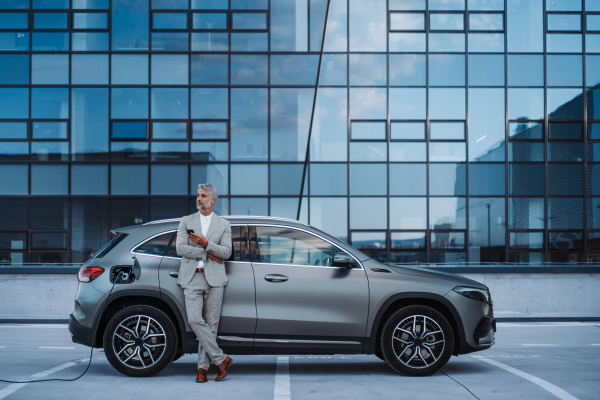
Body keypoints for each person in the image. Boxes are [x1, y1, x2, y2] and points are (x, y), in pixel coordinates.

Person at [176, 183, 233, 383]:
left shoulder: (223, 224)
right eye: (198, 195)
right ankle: (221, 359)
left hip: (215, 278)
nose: (199, 199)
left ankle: (202, 369)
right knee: (194, 319)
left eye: (203, 196)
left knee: (211, 326)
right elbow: (180, 248)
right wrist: (205, 250)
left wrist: (207, 244)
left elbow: (227, 252)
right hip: (192, 276)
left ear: (213, 200)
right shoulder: (186, 221)